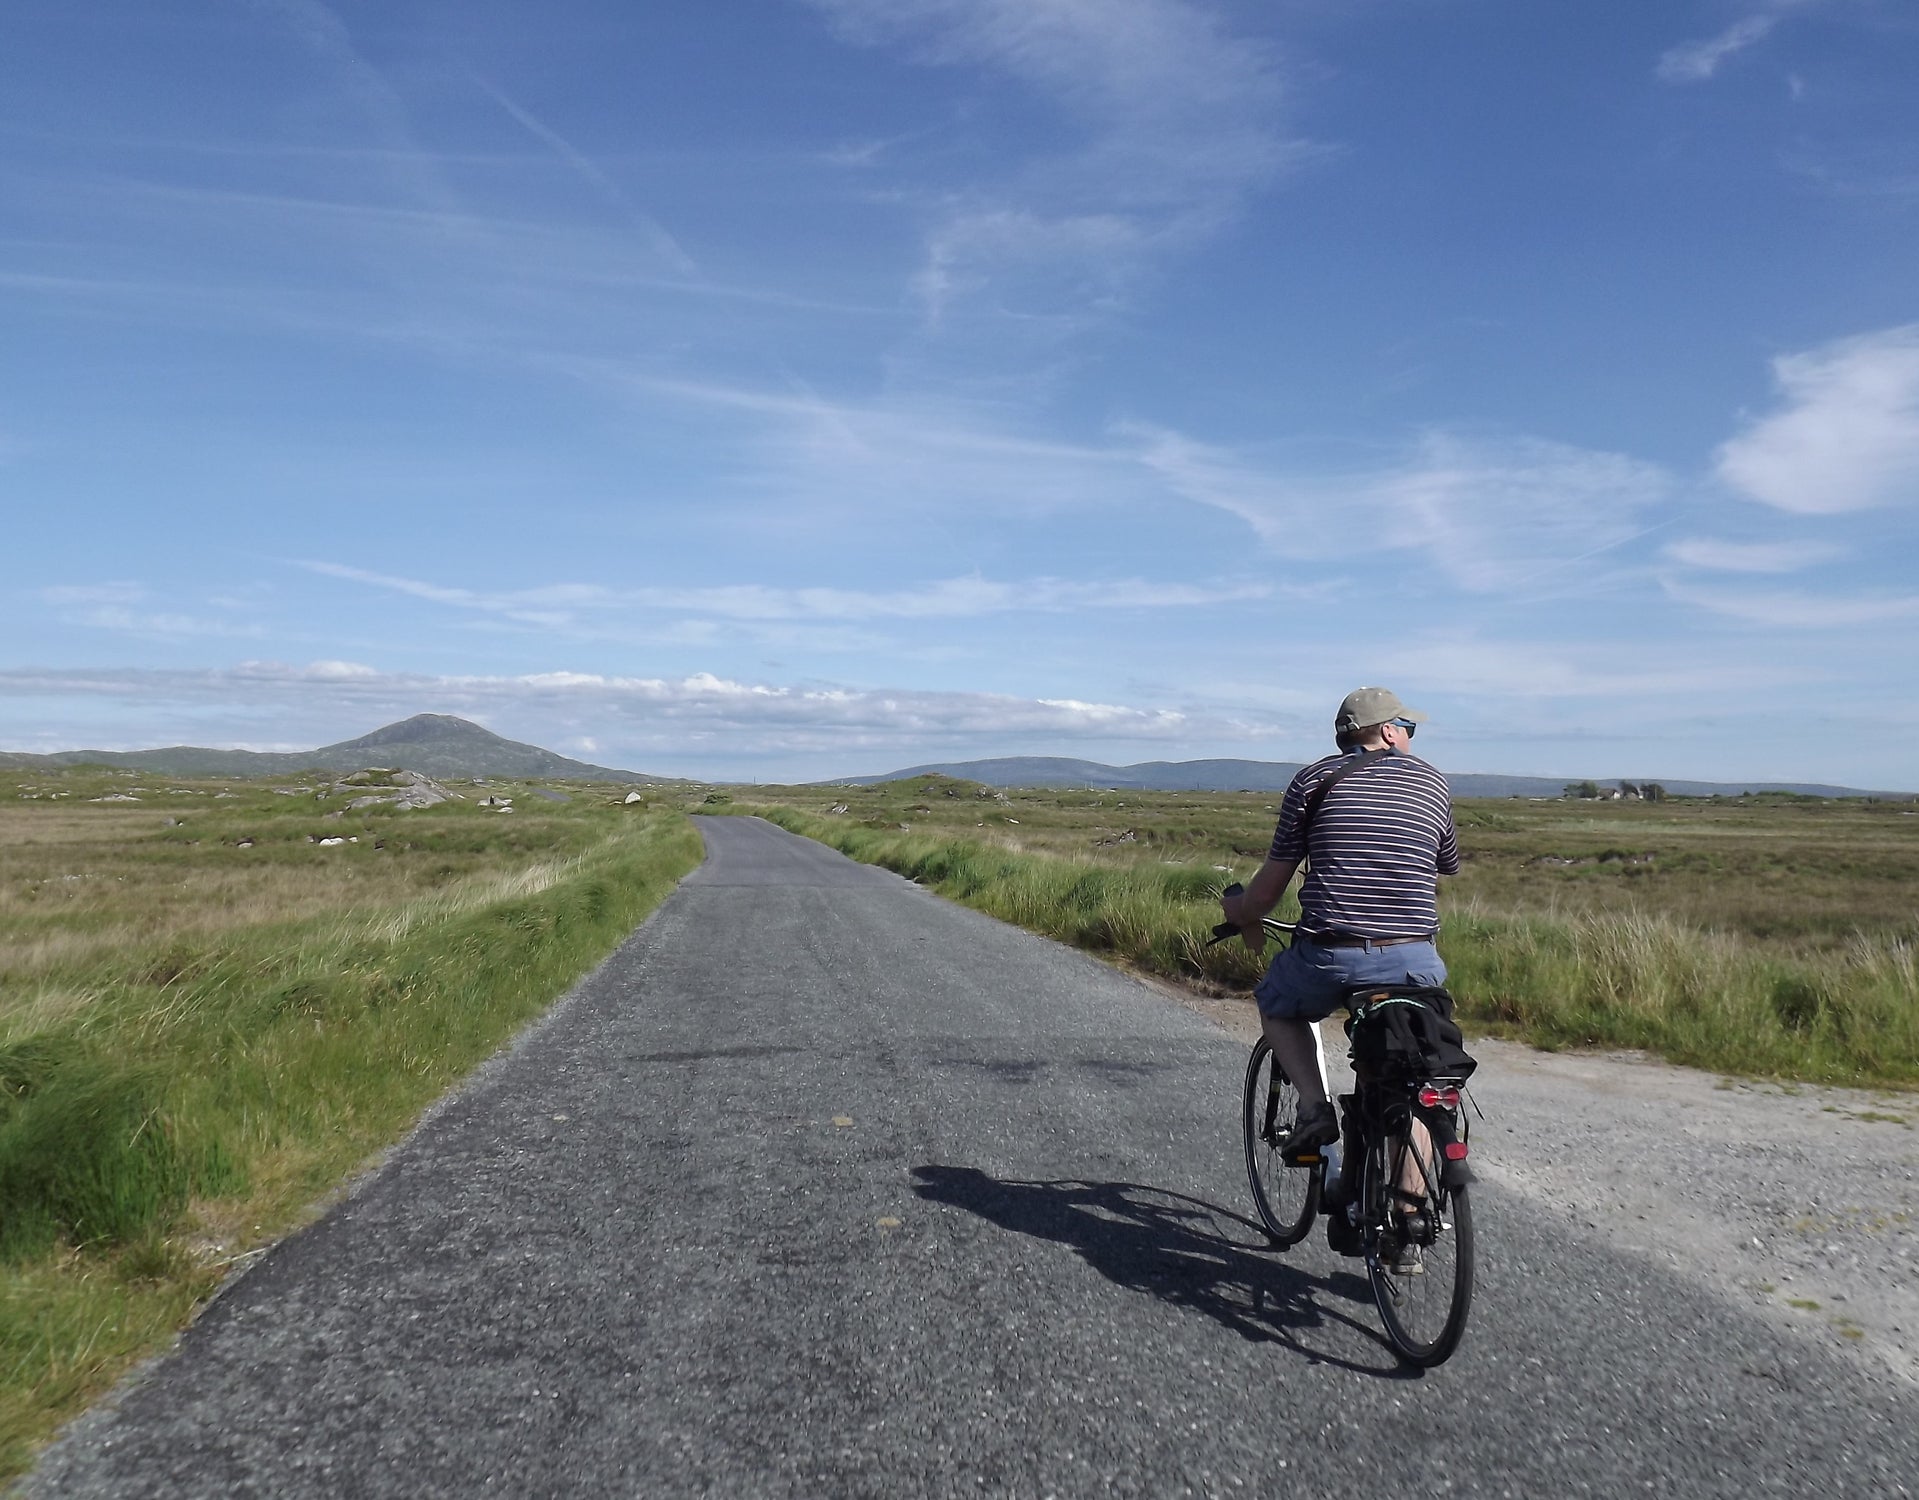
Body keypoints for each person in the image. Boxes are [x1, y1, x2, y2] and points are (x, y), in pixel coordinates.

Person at [1220, 686, 1460, 1161]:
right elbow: (1447, 862)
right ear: (1389, 732)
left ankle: (1314, 1107)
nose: (1410, 735)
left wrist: (1239, 912)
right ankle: (1409, 1208)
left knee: (1277, 1004)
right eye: (1407, 727)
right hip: (1415, 957)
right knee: (1415, 1075)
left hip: (1333, 954)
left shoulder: (1314, 781)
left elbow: (1267, 892)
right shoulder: (1433, 781)